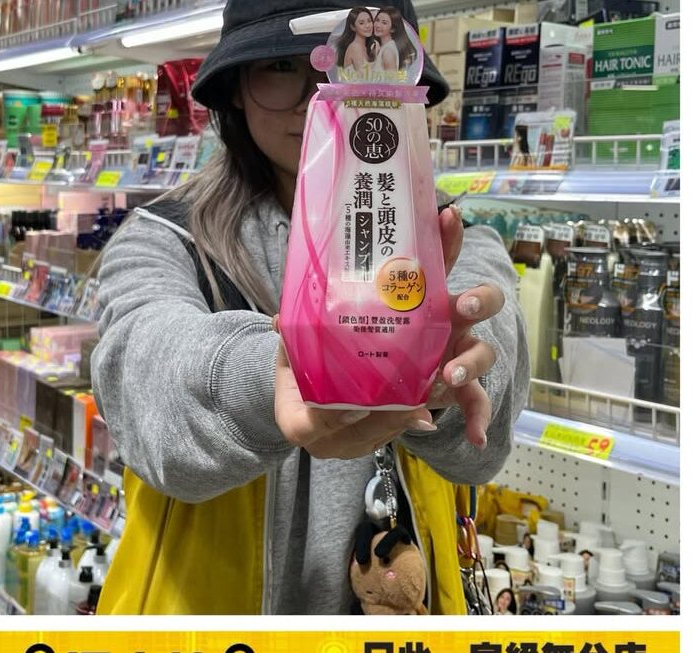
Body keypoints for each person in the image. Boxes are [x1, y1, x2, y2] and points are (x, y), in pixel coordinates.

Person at [91, 0, 529, 615]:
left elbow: (488, 410)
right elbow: (144, 374)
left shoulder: (452, 239)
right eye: (280, 66)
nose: (319, 94)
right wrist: (275, 369)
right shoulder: (164, 239)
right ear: (235, 89)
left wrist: (450, 373)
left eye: (349, 63)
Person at [372, 6, 417, 72]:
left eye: (384, 23)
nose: (378, 25)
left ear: (393, 29)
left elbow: (392, 78)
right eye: (377, 20)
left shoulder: (388, 51)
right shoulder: (382, 48)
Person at [335, 6, 376, 74]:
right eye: (361, 23)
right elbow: (367, 77)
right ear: (353, 27)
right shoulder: (356, 47)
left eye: (369, 21)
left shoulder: (364, 47)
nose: (367, 26)